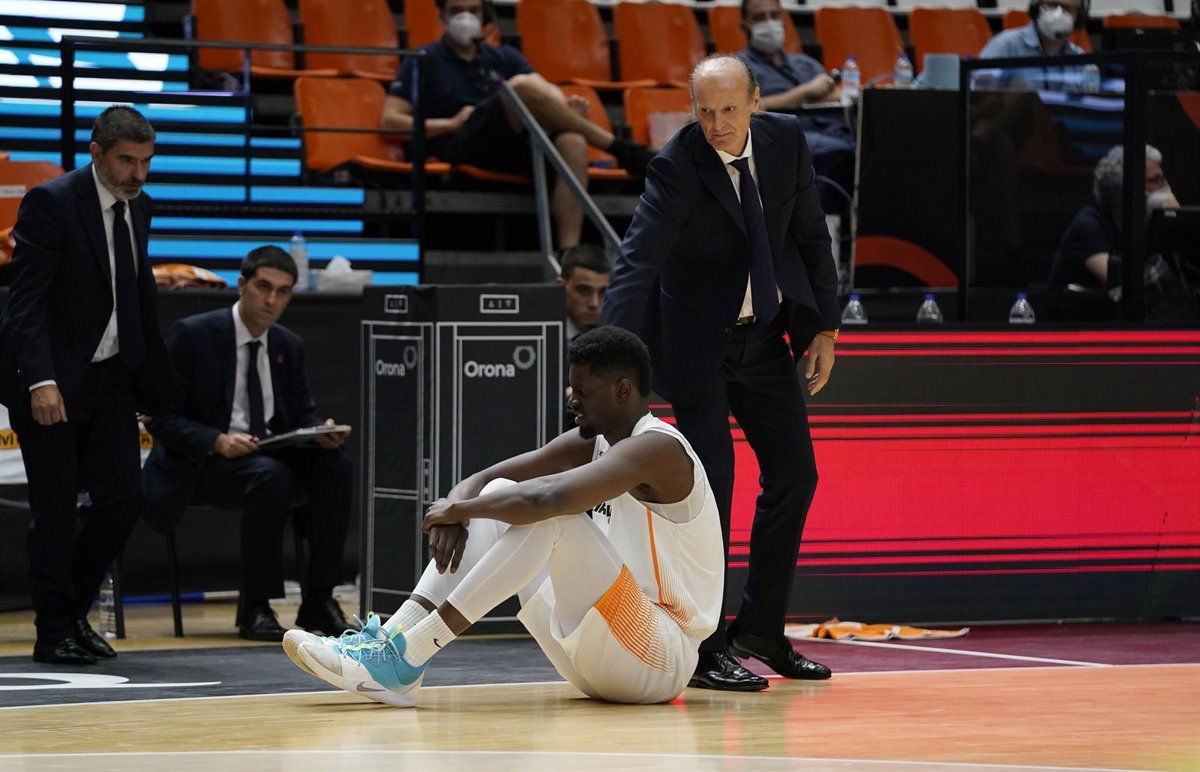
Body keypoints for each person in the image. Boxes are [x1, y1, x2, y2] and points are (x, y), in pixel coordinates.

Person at [283, 326, 725, 708]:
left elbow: (549, 497)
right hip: (601, 649)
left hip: (661, 656)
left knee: (553, 517)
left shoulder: (659, 448)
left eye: (583, 390)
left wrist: (459, 509)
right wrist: (457, 509)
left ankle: (411, 653)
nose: (571, 398)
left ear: (623, 390)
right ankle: (391, 646)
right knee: (498, 494)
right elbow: (484, 479)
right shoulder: (596, 440)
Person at [600, 55, 839, 691]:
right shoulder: (677, 165)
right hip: (698, 346)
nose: (716, 124)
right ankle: (705, 648)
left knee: (796, 476)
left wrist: (824, 327)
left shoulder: (786, 143)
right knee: (711, 497)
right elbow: (636, 262)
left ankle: (761, 630)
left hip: (765, 339)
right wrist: (605, 355)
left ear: (756, 101)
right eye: (704, 111)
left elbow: (811, 235)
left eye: (729, 109)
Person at [0, 105, 173, 665]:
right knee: (54, 510)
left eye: (145, 162)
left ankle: (71, 611)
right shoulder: (51, 202)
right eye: (126, 160)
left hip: (112, 376)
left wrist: (151, 384)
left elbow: (135, 294)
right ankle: (53, 630)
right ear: (96, 153)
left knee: (125, 498)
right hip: (52, 379)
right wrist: (40, 380)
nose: (137, 174)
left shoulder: (139, 206)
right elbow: (25, 301)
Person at [142, 246, 355, 642]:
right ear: (242, 285)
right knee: (270, 476)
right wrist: (216, 440)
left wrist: (319, 430)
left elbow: (301, 414)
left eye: (283, 292)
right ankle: (256, 606)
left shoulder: (288, 345)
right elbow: (160, 417)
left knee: (335, 466)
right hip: (200, 464)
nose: (272, 300)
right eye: (263, 287)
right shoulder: (193, 335)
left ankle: (320, 600)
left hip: (264, 457)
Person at [382, 0, 654, 250]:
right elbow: (391, 121)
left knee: (572, 140)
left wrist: (565, 106)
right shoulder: (424, 59)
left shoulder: (505, 57)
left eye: (474, 10)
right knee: (519, 87)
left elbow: (545, 90)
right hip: (459, 142)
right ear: (442, 15)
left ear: (485, 15)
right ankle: (621, 149)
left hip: (508, 145)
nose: (465, 17)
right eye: (455, 10)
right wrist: (449, 123)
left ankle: (567, 253)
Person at [734, 0, 854, 216]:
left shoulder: (805, 64)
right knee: (837, 152)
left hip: (832, 130)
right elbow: (747, 108)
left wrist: (794, 98)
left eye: (774, 15)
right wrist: (805, 92)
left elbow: (837, 95)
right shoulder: (739, 68)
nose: (769, 22)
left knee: (871, 149)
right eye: (759, 18)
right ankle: (826, 226)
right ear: (744, 26)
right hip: (784, 136)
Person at [1050, 144, 1181, 301]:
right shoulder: (1088, 225)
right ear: (1123, 189)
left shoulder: (1145, 223)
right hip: (1078, 314)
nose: (1165, 187)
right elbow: (1122, 286)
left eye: (1163, 179)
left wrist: (1175, 220)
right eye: (1154, 180)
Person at [980, 0, 1087, 60]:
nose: (1058, 14)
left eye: (1067, 9)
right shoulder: (1005, 45)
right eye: (1051, 5)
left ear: (1079, 17)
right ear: (1036, 8)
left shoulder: (1079, 58)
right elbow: (978, 88)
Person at [558, 244, 610, 342]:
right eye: (584, 290)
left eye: (603, 292)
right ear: (561, 287)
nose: (594, 304)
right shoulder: (539, 332)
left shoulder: (620, 337)